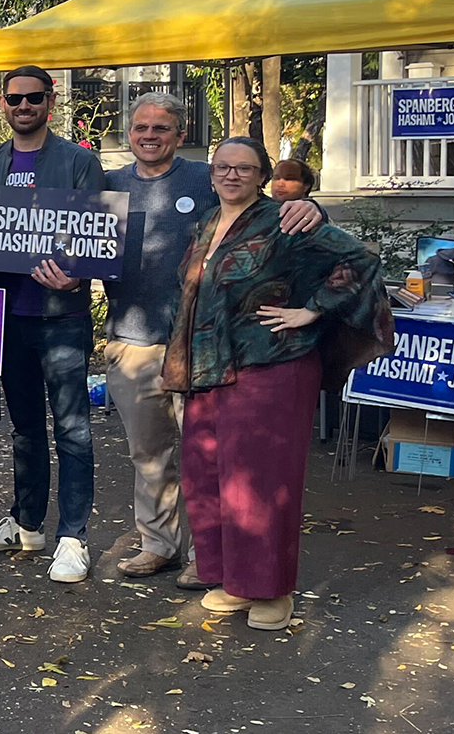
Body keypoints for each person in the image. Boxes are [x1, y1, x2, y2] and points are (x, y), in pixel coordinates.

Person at [163, 137, 392, 630]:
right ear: (211, 173)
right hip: (210, 367)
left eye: (243, 168)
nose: (231, 175)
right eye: (222, 167)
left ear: (261, 175)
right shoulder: (208, 221)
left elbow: (362, 260)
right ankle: (231, 581)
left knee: (261, 483)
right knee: (209, 476)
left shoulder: (285, 218)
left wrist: (311, 310)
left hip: (272, 365)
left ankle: (272, 592)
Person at [101, 94, 325, 588]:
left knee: (209, 457)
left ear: (181, 134)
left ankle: (211, 555)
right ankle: (158, 545)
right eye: (141, 127)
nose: (150, 135)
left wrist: (310, 206)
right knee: (148, 454)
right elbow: (77, 244)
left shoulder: (207, 177)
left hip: (204, 348)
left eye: (162, 128)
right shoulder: (108, 185)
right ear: (130, 132)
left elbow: (261, 209)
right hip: (131, 340)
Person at [0, 65, 104, 584]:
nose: (23, 106)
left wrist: (77, 274)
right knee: (25, 428)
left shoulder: (79, 161)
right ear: (2, 104)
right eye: (14, 99)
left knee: (72, 428)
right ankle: (28, 523)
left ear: (50, 101)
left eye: (33, 98)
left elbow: (98, 234)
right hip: (5, 317)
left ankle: (73, 536)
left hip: (61, 318)